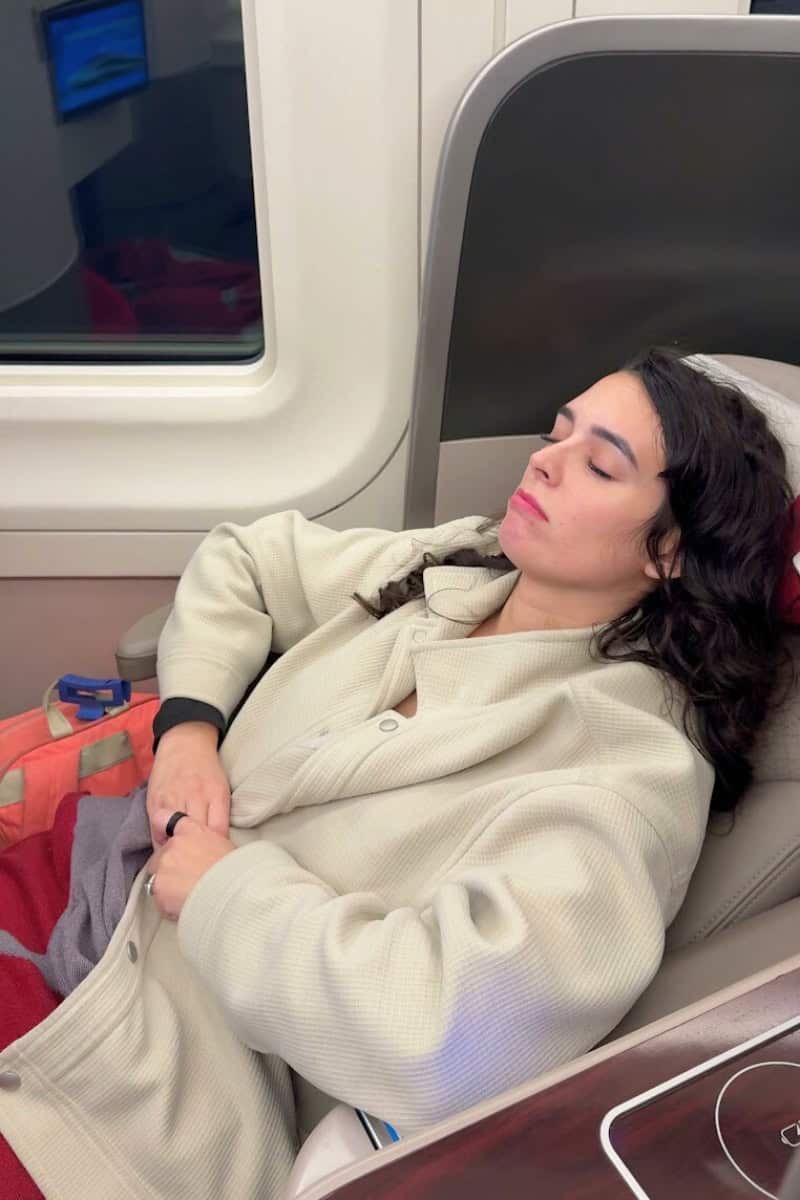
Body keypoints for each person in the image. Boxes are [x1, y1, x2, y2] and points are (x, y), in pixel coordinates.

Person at [0, 348, 792, 1200]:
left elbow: (445, 1033)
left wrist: (226, 892)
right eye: (556, 434)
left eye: (599, 465)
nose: (544, 462)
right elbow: (250, 559)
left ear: (669, 551)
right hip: (101, 868)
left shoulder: (627, 770)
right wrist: (189, 728)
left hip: (152, 1058)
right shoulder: (468, 561)